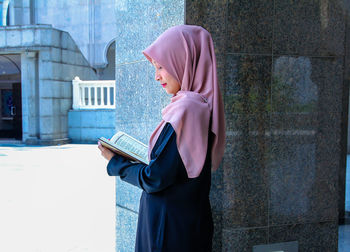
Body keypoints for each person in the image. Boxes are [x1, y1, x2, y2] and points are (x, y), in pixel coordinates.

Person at [98, 25, 225, 252]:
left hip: (169, 230)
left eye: (161, 67)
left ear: (183, 61)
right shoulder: (201, 106)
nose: (157, 76)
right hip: (186, 224)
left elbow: (155, 178)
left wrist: (116, 162)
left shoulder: (187, 108)